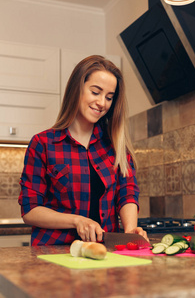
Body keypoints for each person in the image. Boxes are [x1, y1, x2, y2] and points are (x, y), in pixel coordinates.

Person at [18, 55, 148, 245]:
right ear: (77, 89)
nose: (102, 103)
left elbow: (126, 192)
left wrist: (130, 230)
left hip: (107, 253)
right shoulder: (43, 144)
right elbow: (30, 210)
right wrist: (77, 220)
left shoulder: (116, 145)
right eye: (96, 92)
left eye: (109, 97)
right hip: (55, 251)